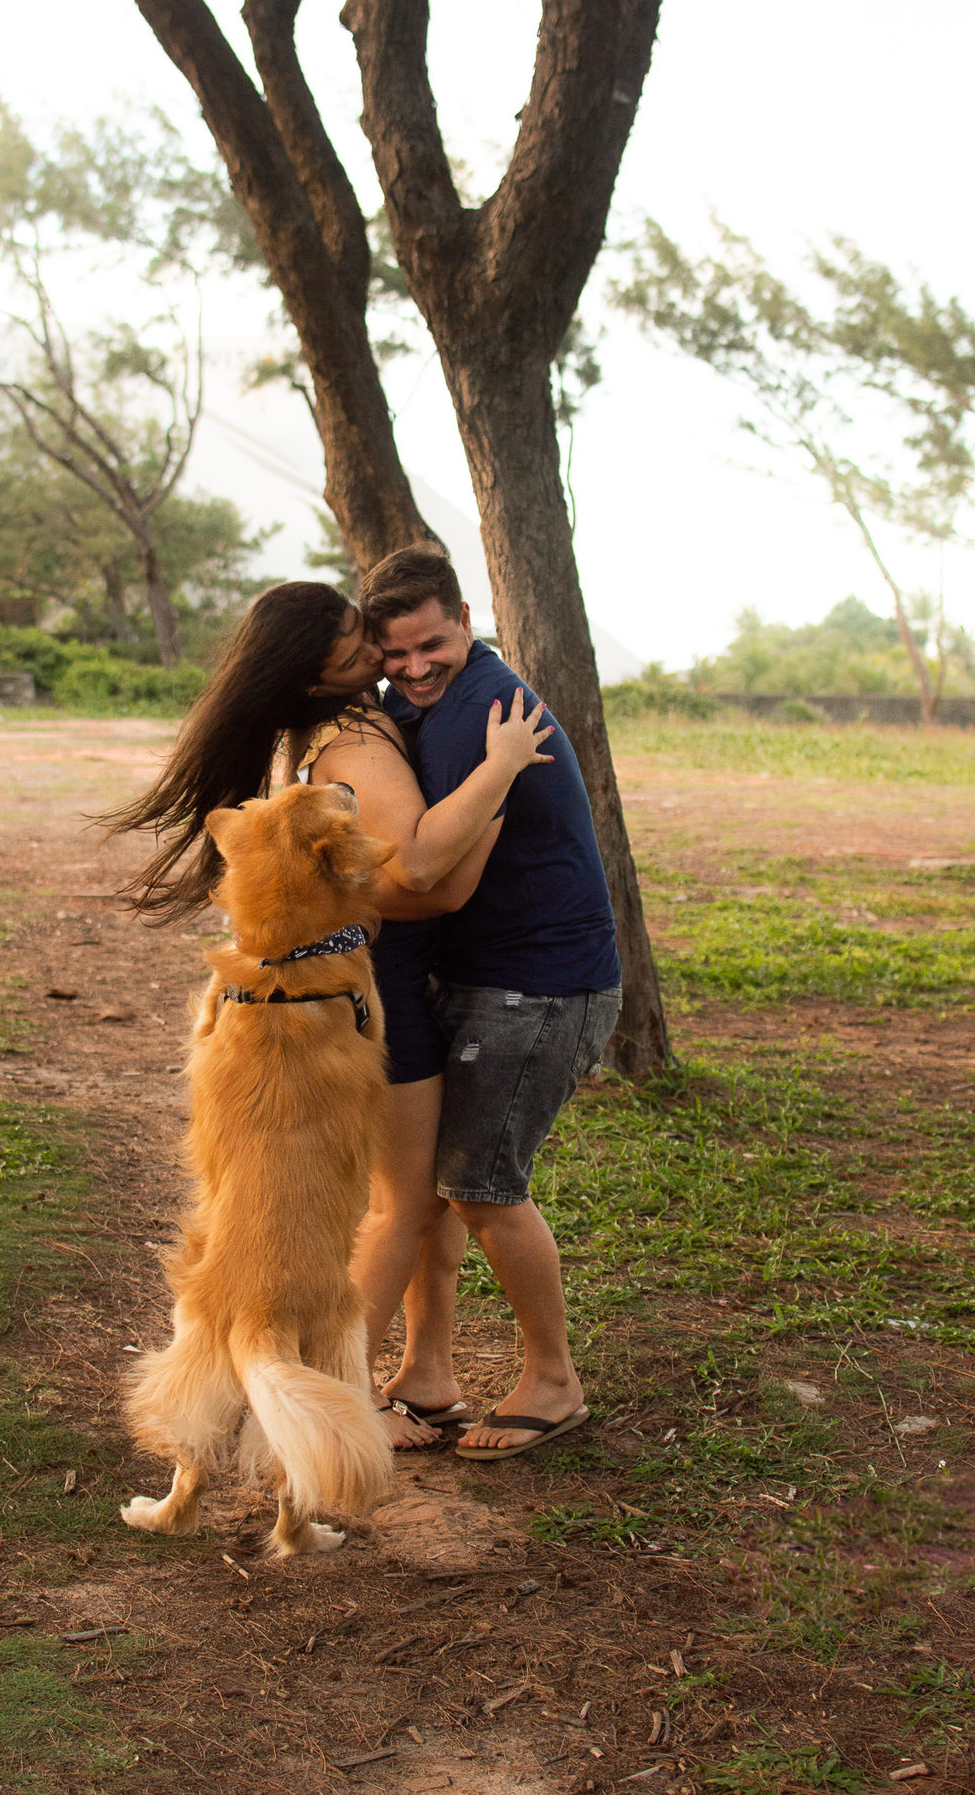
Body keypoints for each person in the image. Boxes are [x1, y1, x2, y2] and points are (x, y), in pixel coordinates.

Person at [104, 579, 552, 1448]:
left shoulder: (318, 734)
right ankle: (318, 1409)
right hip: (375, 992)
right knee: (400, 1206)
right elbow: (419, 878)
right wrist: (498, 794)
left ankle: (422, 1376)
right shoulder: (354, 737)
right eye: (362, 637)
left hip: (364, 984)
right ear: (322, 666)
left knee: (416, 1201)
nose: (384, 650)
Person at [351, 546, 623, 1460]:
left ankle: (553, 1381)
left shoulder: (487, 712)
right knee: (433, 1185)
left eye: (432, 644)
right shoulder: (412, 708)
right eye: (396, 656)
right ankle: (428, 1377)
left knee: (482, 1189)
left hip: (537, 985)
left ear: (464, 618)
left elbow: (436, 875)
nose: (416, 667)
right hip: (483, 979)